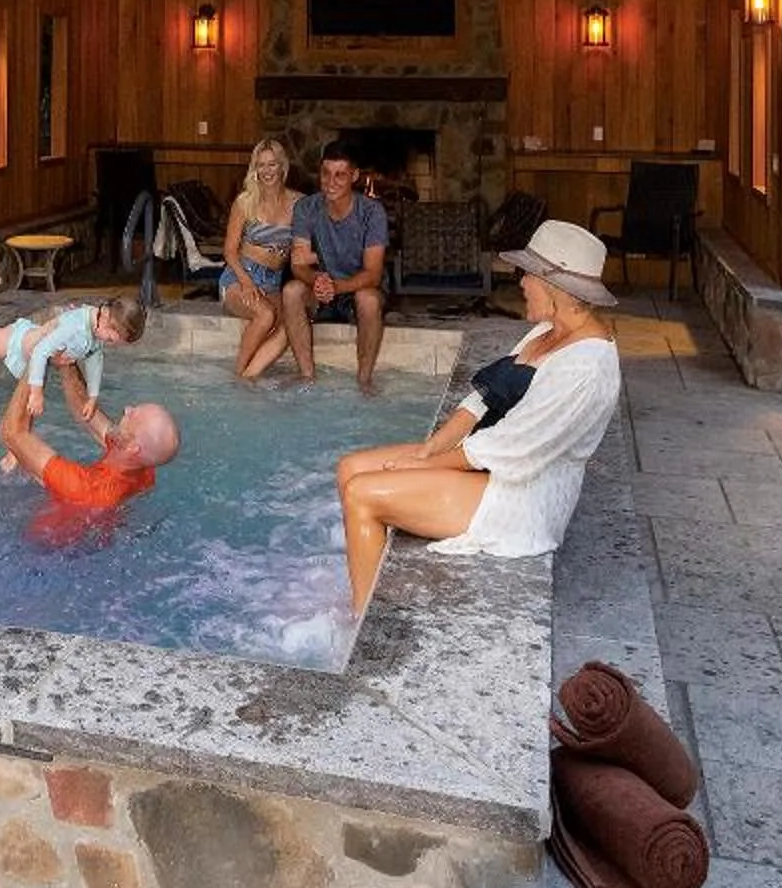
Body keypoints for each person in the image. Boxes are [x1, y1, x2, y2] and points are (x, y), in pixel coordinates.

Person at [333, 219, 622, 609]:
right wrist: (430, 448)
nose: (519, 282)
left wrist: (424, 465)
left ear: (555, 287)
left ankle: (362, 616)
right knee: (350, 467)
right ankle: (366, 577)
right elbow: (480, 401)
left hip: (519, 496)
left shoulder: (587, 368)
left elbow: (514, 448)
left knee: (362, 493)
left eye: (527, 274)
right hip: (489, 462)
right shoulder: (547, 331)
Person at [0, 256, 147, 464]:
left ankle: (16, 451)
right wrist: (38, 392)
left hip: (35, 352)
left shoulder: (97, 329)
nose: (112, 342)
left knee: (30, 401)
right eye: (113, 338)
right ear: (105, 317)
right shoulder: (75, 327)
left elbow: (95, 359)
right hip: (17, 342)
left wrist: (93, 397)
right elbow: (40, 352)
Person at [0, 363, 180, 516]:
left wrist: (35, 362)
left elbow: (12, 433)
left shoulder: (88, 488)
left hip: (45, 553)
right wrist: (66, 360)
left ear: (132, 448)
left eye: (133, 416)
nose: (128, 409)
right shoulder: (144, 467)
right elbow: (84, 409)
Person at [284, 143, 389, 393]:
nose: (331, 182)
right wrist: (317, 280)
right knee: (291, 291)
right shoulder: (306, 208)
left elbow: (373, 274)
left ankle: (364, 381)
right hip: (322, 290)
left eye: (340, 174)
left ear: (354, 176)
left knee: (369, 300)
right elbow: (298, 265)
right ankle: (306, 375)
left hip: (356, 288)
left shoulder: (372, 212)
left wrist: (337, 286)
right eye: (325, 173)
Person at [219, 136, 301, 381]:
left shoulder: (299, 203)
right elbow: (229, 251)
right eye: (261, 165)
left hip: (273, 280)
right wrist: (246, 282)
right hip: (239, 275)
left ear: (282, 167)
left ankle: (251, 374)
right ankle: (239, 376)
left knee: (292, 323)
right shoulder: (245, 202)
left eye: (272, 164)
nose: (267, 171)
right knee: (265, 315)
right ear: (254, 169)